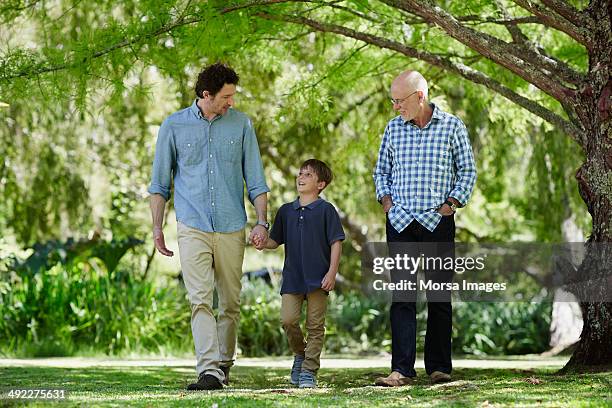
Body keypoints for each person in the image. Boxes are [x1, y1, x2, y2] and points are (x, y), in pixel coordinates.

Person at [148, 63, 270, 390]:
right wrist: (157, 229)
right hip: (192, 225)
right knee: (200, 298)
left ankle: (224, 363)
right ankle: (209, 370)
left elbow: (256, 181)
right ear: (207, 95)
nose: (231, 102)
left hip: (232, 225)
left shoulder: (241, 124)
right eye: (226, 96)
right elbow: (159, 185)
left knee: (230, 301)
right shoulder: (173, 126)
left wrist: (262, 221)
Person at [373, 70, 477, 386]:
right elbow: (381, 172)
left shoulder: (452, 127)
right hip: (401, 223)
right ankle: (401, 369)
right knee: (403, 296)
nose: (395, 107)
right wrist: (387, 203)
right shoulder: (393, 130)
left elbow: (467, 172)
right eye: (392, 101)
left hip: (437, 223)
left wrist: (452, 205)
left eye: (399, 100)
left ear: (420, 96)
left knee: (439, 295)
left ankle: (439, 367)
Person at [253, 159, 345, 388]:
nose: (300, 178)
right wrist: (262, 242)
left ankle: (309, 372)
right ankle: (300, 354)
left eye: (308, 175)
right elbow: (275, 240)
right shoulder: (286, 211)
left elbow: (336, 242)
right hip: (292, 278)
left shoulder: (326, 210)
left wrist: (332, 273)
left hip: (319, 278)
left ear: (321, 184)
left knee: (315, 326)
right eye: (300, 173)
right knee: (288, 320)